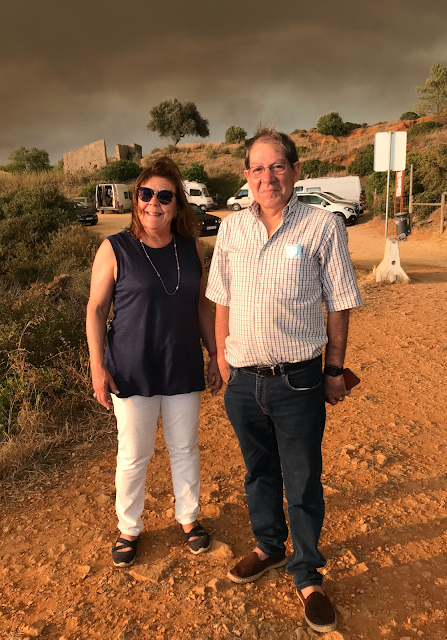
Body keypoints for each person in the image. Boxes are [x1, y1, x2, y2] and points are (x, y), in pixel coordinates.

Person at [206, 125, 362, 633]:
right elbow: (222, 299)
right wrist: (223, 361)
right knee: (258, 473)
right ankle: (269, 546)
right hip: (242, 381)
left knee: (302, 479)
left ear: (295, 170)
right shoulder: (231, 229)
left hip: (298, 382)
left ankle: (308, 575)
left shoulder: (322, 226)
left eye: (277, 166)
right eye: (258, 167)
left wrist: (334, 370)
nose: (267, 177)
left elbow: (339, 304)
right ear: (246, 175)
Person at [86, 157, 222, 567]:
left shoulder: (190, 248)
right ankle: (129, 528)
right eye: (146, 194)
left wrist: (215, 354)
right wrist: (97, 366)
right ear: (136, 199)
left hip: (181, 363)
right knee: (134, 454)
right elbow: (96, 309)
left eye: (165, 196)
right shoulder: (114, 248)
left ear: (177, 206)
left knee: (185, 448)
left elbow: (201, 306)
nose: (154, 204)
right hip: (131, 368)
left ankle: (189, 518)